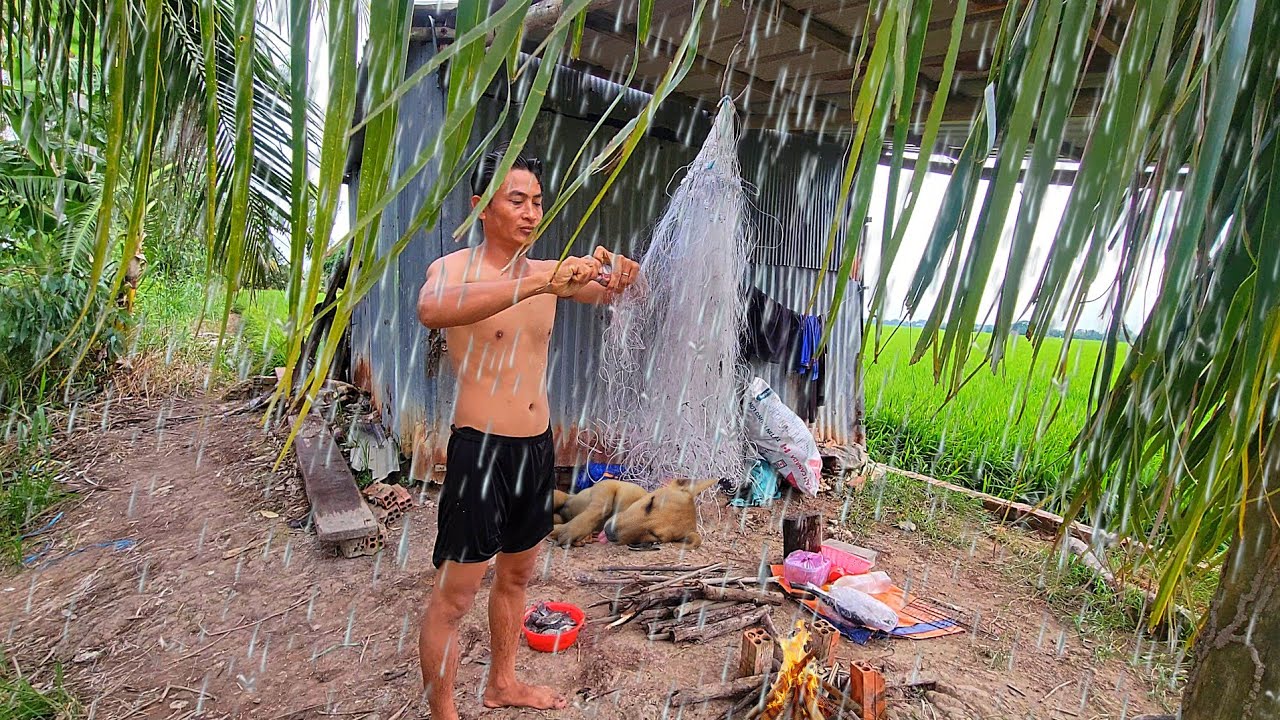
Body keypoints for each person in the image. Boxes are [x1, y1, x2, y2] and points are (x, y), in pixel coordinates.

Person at [414, 148, 640, 719]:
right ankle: (444, 714)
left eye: (537, 202)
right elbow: (431, 310)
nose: (531, 213)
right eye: (517, 200)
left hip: (535, 451)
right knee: (455, 596)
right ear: (480, 208)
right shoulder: (454, 270)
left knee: (516, 576)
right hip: (481, 450)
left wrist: (624, 272)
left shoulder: (551, 271)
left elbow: (616, 291)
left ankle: (502, 683)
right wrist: (535, 285)